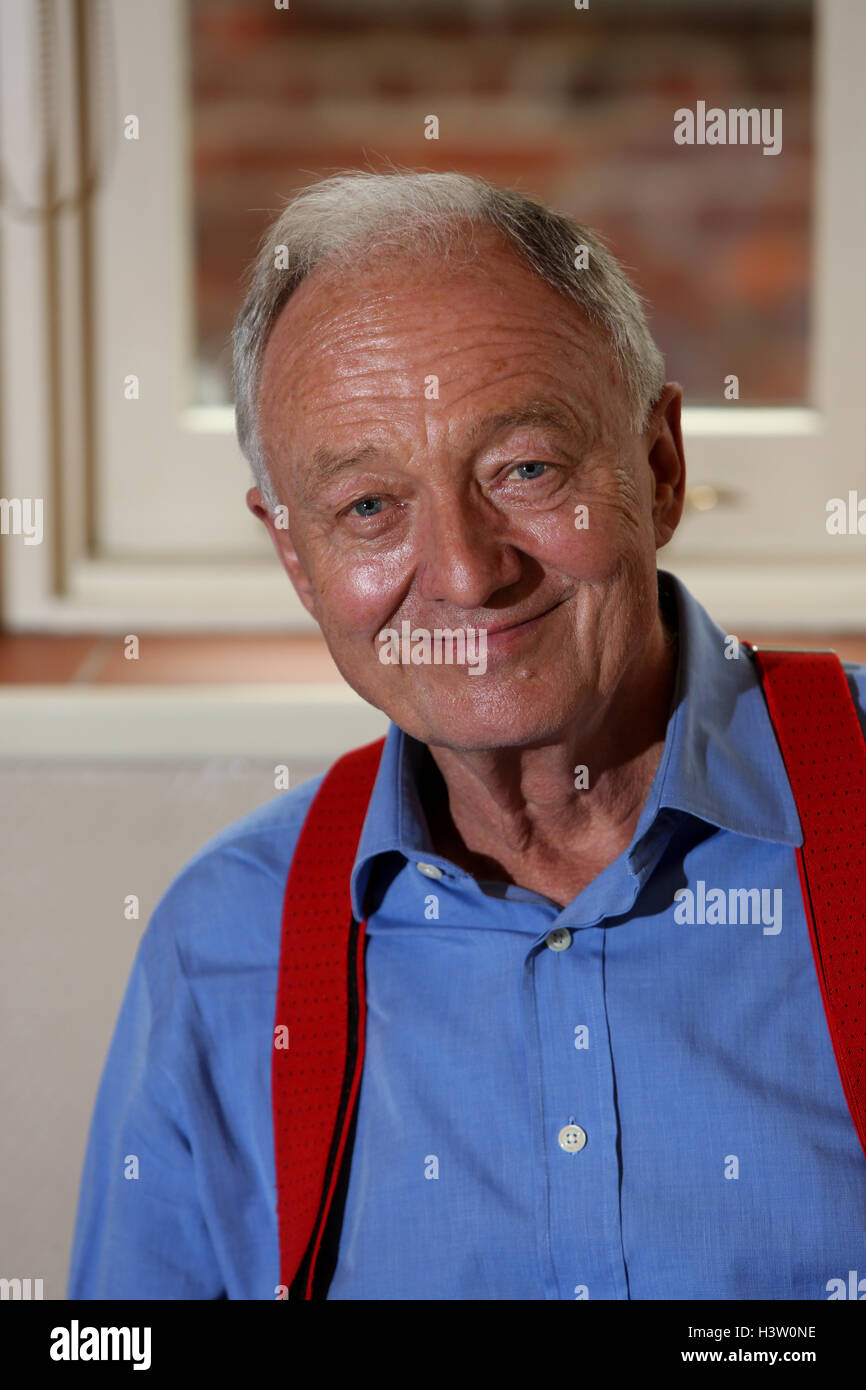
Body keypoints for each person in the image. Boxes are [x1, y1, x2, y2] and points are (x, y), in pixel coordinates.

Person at [68, 170, 866, 1300]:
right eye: (367, 508)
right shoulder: (225, 948)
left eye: (525, 469)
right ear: (295, 557)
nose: (463, 573)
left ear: (659, 467)